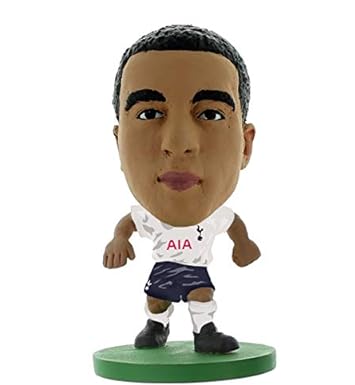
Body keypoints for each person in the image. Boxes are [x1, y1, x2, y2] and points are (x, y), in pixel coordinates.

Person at [103, 24, 261, 354]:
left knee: (202, 294)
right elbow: (129, 224)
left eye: (211, 114)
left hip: (194, 270)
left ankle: (205, 331)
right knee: (156, 298)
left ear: (245, 147)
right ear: (119, 145)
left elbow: (233, 225)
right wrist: (119, 239)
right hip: (164, 268)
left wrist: (243, 243)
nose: (177, 144)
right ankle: (156, 325)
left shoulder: (216, 217)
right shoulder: (147, 217)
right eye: (148, 113)